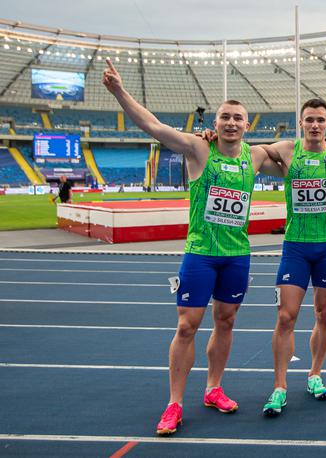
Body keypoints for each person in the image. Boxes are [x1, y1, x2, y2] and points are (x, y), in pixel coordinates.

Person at [102, 58, 283, 435]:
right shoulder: (198, 150)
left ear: (247, 125)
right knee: (187, 326)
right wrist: (120, 91)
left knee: (227, 321)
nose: (231, 122)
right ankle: (174, 403)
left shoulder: (257, 155)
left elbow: (306, 148)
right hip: (200, 253)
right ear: (214, 124)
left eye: (238, 118)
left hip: (236, 254)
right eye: (225, 117)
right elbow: (151, 125)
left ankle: (214, 388)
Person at [258, 98, 326, 416]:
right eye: (310, 120)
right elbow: (249, 151)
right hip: (296, 247)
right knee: (285, 317)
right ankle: (279, 387)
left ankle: (315, 374)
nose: (316, 125)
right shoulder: (287, 151)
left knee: (325, 313)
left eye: (321, 120)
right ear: (301, 123)